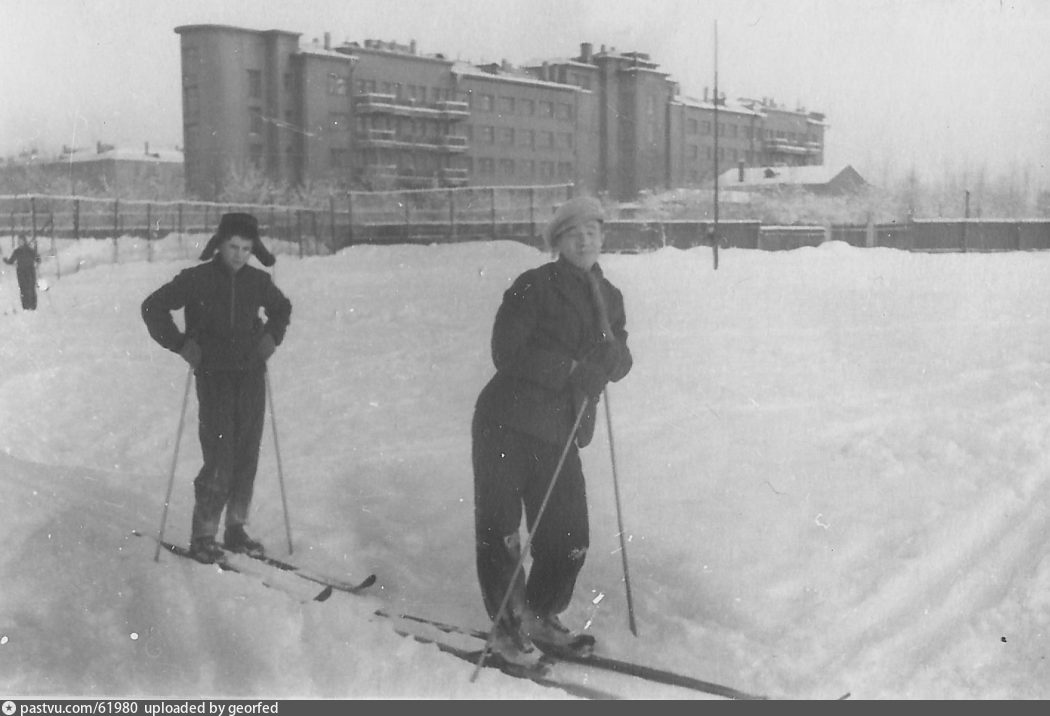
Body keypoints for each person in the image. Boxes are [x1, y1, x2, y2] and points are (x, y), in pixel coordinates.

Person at [471, 195, 633, 666]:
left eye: (592, 232)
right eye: (573, 234)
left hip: (561, 432)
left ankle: (539, 613)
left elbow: (618, 353)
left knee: (568, 536)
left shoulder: (610, 297)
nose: (585, 241)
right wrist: (571, 370)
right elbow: (507, 351)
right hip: (506, 423)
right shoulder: (534, 286)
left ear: (603, 236)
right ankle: (506, 626)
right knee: (501, 532)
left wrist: (613, 361)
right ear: (557, 243)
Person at [142, 212, 292, 564]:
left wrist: (271, 337)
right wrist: (180, 344)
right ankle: (204, 534)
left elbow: (282, 309)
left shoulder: (258, 281)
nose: (239, 254)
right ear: (219, 245)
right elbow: (153, 307)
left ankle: (236, 529)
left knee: (246, 454)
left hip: (251, 375)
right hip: (214, 376)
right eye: (233, 247)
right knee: (220, 456)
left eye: (246, 248)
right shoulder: (196, 279)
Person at [3, 234, 42, 310]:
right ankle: (25, 306)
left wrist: (38, 258)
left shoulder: (30, 250)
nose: (19, 242)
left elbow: (37, 258)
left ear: (24, 241)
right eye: (19, 241)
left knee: (30, 288)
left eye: (21, 241)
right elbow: (11, 261)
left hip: (30, 271)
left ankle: (33, 306)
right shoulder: (17, 251)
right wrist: (6, 260)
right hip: (21, 272)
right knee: (23, 288)